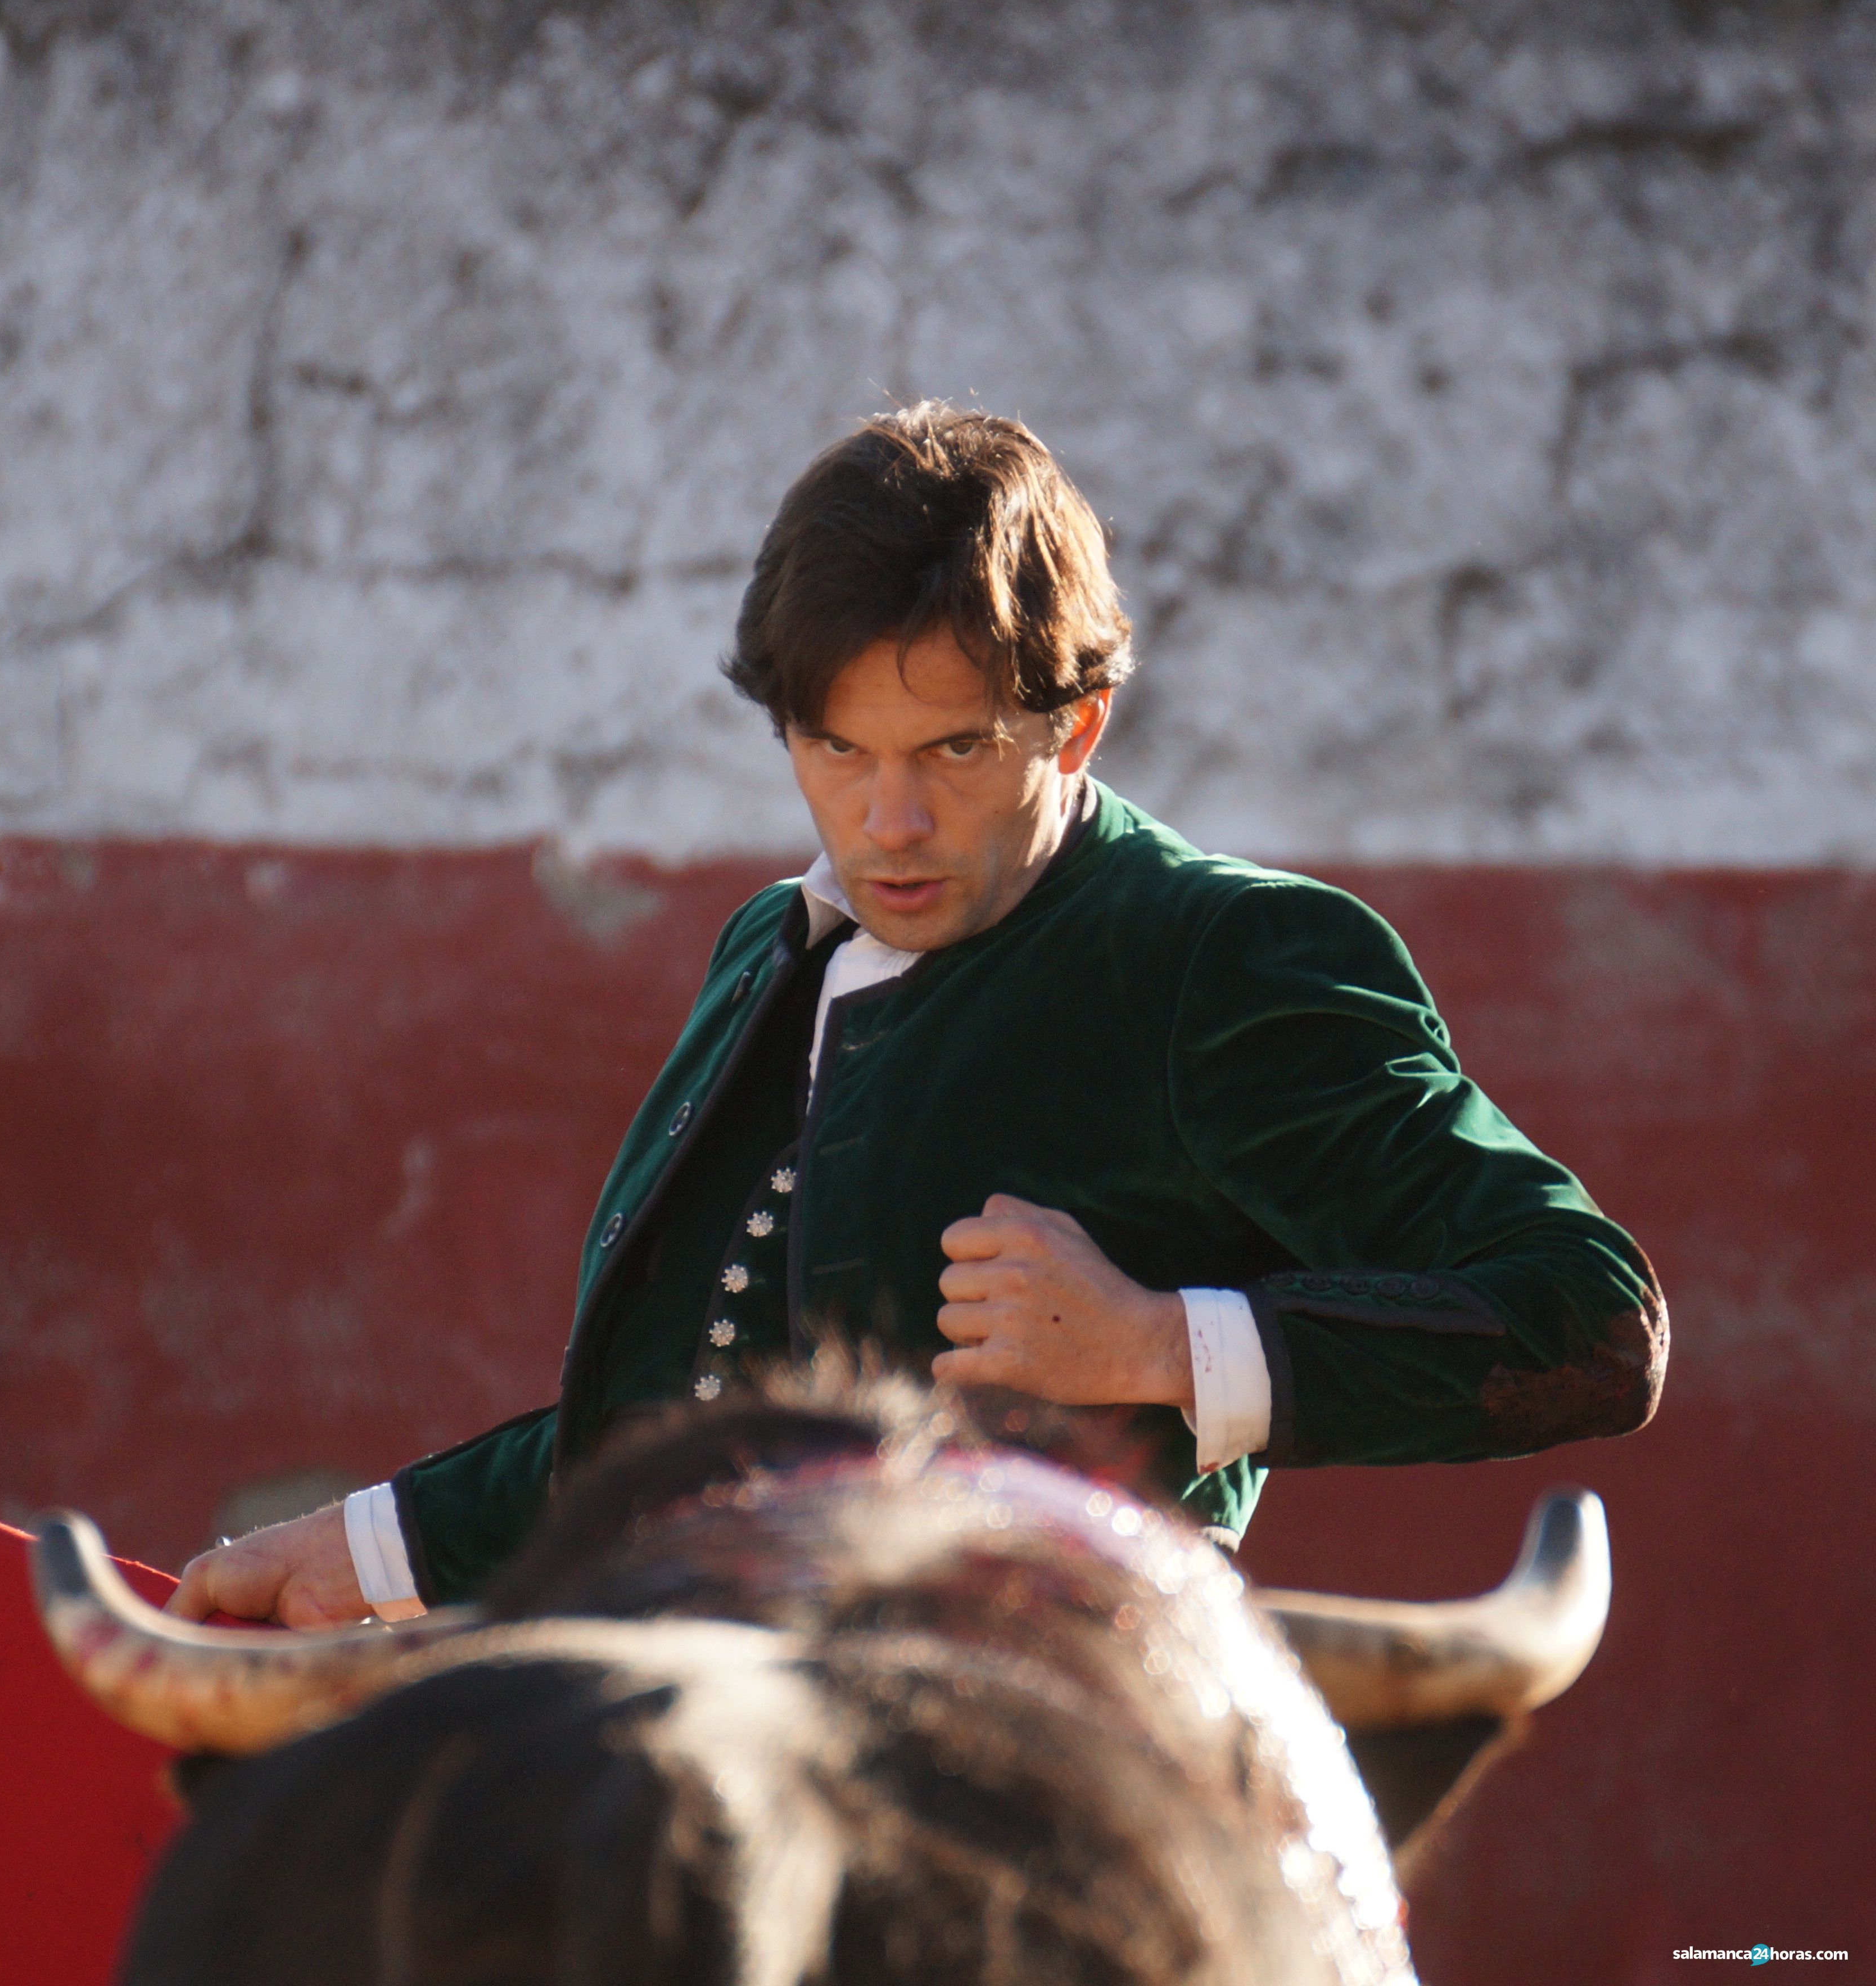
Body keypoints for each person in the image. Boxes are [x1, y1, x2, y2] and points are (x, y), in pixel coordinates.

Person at [169, 402, 1667, 1629]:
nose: (889, 821)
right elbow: (680, 1430)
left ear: (1072, 724)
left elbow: (1588, 1317)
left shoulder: (1219, 956)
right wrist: (372, 1549)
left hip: (1035, 1755)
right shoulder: (775, 946)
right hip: (707, 1734)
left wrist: (1160, 1346)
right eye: (836, 748)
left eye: (955, 749)